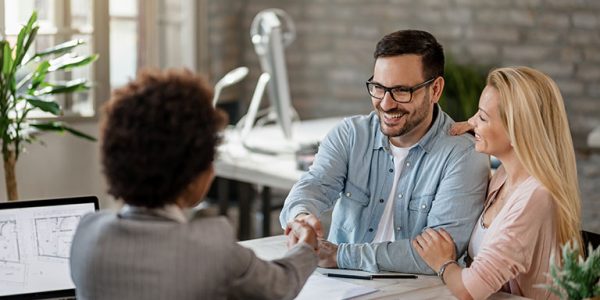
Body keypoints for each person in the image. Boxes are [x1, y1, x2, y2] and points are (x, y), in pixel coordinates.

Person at [69, 69, 319, 300]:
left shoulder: (87, 233)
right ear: (192, 177)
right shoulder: (211, 249)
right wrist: (307, 247)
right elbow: (282, 284)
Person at [279, 29, 490, 274]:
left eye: (402, 91)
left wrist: (339, 255)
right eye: (379, 88)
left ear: (435, 90)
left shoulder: (463, 155)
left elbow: (439, 257)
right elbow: (313, 186)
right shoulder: (351, 135)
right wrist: (301, 217)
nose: (386, 104)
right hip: (340, 285)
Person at [413, 66, 582, 300]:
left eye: (482, 116)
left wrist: (443, 263)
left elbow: (469, 290)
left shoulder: (535, 197)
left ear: (517, 131)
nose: (471, 121)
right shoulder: (504, 175)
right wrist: (475, 126)